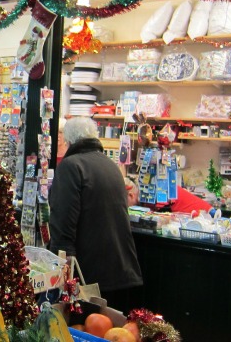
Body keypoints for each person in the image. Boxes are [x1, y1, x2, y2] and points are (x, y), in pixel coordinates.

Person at [49, 117, 142, 312]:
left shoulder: (71, 166)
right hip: (118, 268)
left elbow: (64, 220)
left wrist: (61, 268)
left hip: (87, 271)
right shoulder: (111, 166)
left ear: (68, 141)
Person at [126, 178, 213, 215]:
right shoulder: (148, 192)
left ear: (131, 195)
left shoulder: (152, 195)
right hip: (196, 213)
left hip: (203, 215)